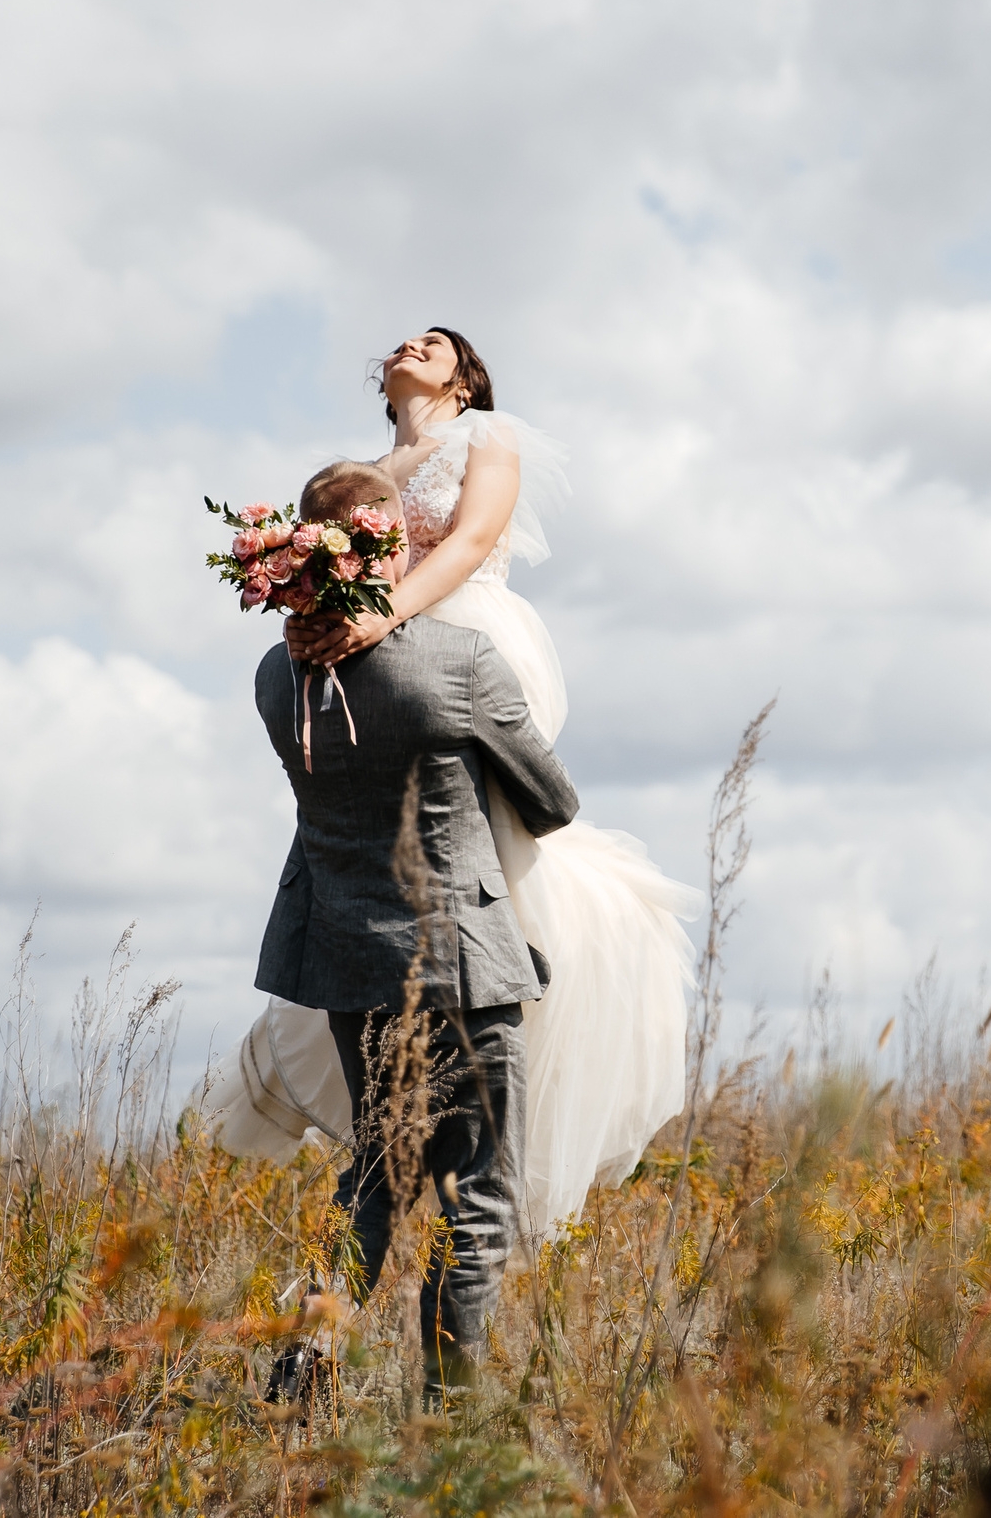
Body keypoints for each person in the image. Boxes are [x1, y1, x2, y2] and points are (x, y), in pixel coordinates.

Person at [204, 328, 699, 1244]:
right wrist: (321, 618)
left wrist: (377, 614)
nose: (410, 342)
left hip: (455, 634)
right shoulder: (356, 470)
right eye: (403, 336)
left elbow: (470, 540)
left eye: (435, 341)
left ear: (464, 380)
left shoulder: (489, 436)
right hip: (369, 649)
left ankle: (500, 972)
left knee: (482, 830)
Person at [248, 457, 580, 1404]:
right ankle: (450, 1402)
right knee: (479, 1193)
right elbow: (553, 800)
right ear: (393, 541)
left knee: (378, 1180)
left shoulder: (279, 675)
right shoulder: (460, 661)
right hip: (464, 966)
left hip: (351, 966)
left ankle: (305, 1362)